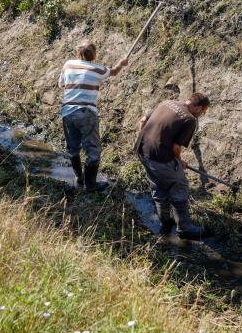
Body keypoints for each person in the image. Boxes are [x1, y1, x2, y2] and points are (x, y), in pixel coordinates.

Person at [135, 93, 211, 239]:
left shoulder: (167, 102)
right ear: (198, 107)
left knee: (157, 183)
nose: (202, 114)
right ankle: (184, 227)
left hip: (142, 149)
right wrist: (179, 160)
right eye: (203, 111)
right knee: (179, 185)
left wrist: (145, 139)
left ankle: (165, 221)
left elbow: (143, 120)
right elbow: (176, 147)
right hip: (159, 157)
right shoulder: (189, 119)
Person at [59, 41, 128, 192]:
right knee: (93, 149)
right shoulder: (98, 69)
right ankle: (90, 185)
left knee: (72, 147)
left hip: (67, 111)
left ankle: (79, 178)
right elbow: (114, 72)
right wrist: (121, 63)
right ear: (94, 54)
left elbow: (61, 84)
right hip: (86, 113)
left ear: (78, 52)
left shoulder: (68, 64)